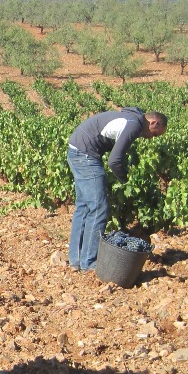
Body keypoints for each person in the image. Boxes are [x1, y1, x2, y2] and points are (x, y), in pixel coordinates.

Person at [66, 107, 168, 271]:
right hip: (85, 155)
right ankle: (89, 262)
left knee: (84, 206)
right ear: (153, 122)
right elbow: (114, 160)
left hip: (76, 149)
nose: (151, 138)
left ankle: (76, 260)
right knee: (99, 208)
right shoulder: (133, 125)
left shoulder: (133, 117)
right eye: (154, 134)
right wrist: (126, 180)